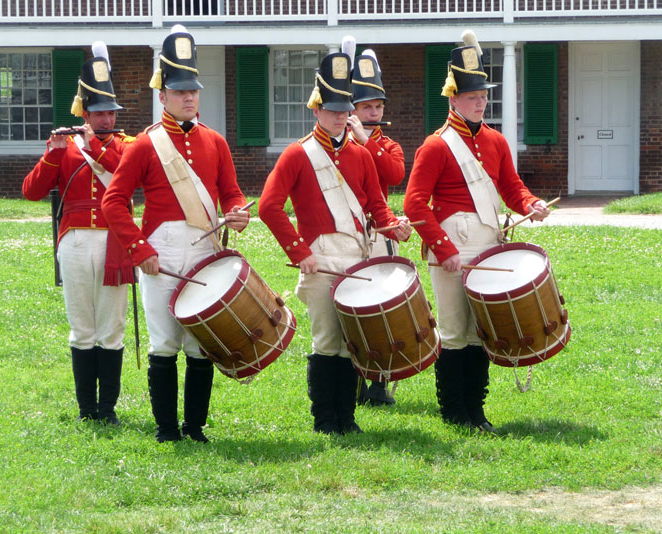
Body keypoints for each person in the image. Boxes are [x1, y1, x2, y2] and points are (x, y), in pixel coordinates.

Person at [101, 25, 250, 443]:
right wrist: (138, 247)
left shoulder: (215, 142)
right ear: (162, 94)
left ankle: (195, 427)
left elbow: (231, 192)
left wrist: (237, 212)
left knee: (201, 342)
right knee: (164, 342)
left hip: (205, 247)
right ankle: (167, 429)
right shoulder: (145, 145)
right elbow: (113, 202)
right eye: (179, 91)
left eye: (193, 91)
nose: (188, 98)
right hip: (161, 251)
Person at [259, 44, 412, 435]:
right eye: (334, 109)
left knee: (352, 344)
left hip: (356, 257)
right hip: (321, 259)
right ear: (316, 109)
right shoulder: (297, 155)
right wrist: (299, 251)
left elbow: (378, 207)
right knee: (327, 343)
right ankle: (326, 420)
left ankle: (347, 418)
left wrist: (394, 226)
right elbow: (269, 208)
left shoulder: (361, 155)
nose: (342, 117)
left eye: (345, 110)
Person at [403, 30, 551, 433]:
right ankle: (453, 411)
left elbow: (511, 187)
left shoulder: (496, 140)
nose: (481, 102)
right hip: (452, 247)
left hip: (487, 243)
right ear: (453, 98)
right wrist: (443, 247)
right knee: (453, 332)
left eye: (484, 96)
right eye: (473, 97)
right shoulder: (435, 146)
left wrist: (530, 204)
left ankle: (476, 410)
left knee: (481, 332)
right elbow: (414, 204)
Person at [22, 42, 135, 425]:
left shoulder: (125, 146)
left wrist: (96, 149)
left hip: (113, 241)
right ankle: (88, 409)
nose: (106, 120)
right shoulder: (67, 147)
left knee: (112, 326)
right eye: (99, 114)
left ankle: (108, 409)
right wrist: (53, 153)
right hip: (74, 241)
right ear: (84, 113)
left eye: (110, 113)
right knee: (82, 326)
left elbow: (126, 177)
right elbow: (32, 191)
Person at [346, 44, 406, 406]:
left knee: (383, 310)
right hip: (349, 234)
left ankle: (380, 382)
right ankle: (351, 380)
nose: (374, 112)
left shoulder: (387, 144)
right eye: (366, 107)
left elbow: (395, 175)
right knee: (353, 310)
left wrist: (367, 141)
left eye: (378, 106)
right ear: (351, 109)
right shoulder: (336, 145)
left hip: (380, 233)